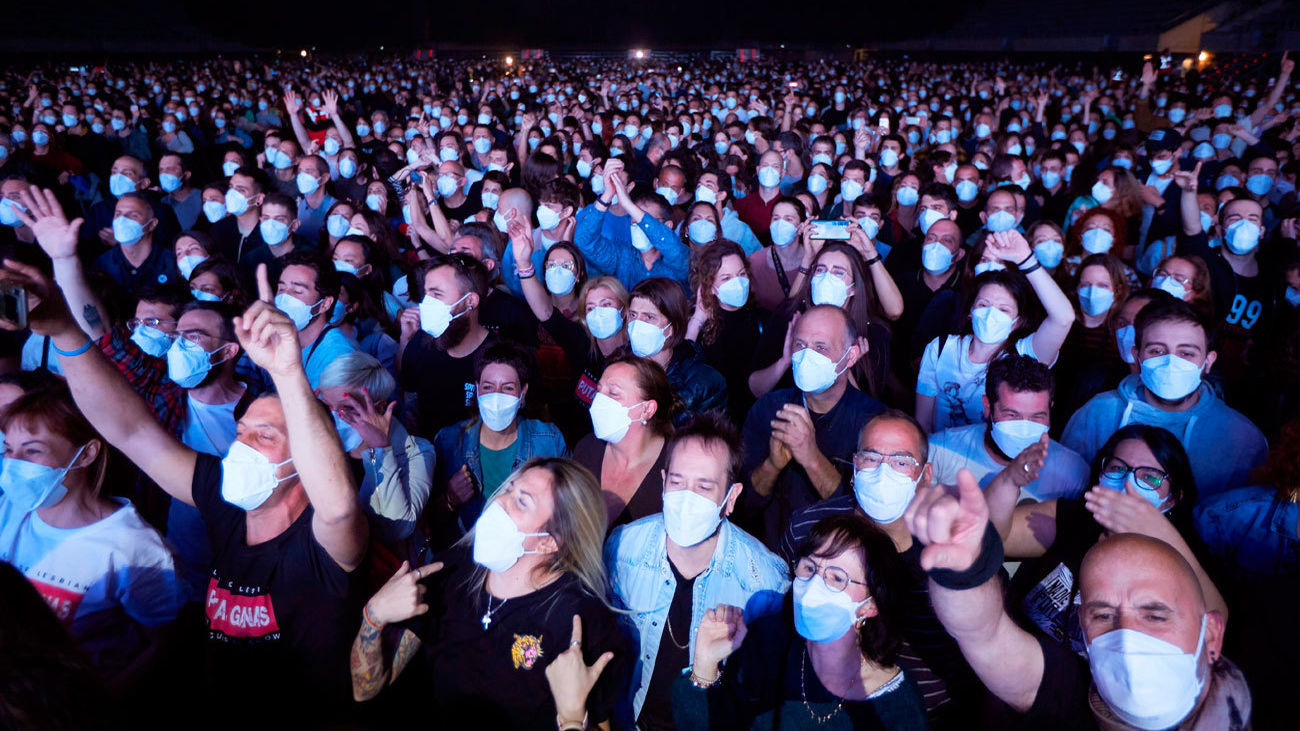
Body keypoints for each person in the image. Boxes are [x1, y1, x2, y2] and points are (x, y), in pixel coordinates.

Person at [5, 252, 368, 724]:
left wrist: (287, 371)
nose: (241, 447)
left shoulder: (325, 545)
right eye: (241, 433)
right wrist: (65, 332)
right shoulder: (227, 504)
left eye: (265, 436)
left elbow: (338, 508)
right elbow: (131, 432)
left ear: (308, 461)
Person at [907, 470, 1251, 730]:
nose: (1129, 636)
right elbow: (984, 634)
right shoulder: (1069, 690)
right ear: (1082, 630)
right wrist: (964, 572)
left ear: (1212, 634)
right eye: (1103, 615)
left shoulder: (1271, 696)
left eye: (1155, 616)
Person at [350, 457, 629, 730]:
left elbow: (602, 722)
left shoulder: (580, 622)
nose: (498, 503)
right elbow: (366, 690)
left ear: (548, 543)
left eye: (522, 501)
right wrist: (373, 615)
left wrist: (573, 716)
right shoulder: (453, 571)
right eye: (509, 489)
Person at [604, 412, 789, 729]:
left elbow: (764, 694)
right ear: (663, 483)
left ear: (730, 498)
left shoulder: (765, 581)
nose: (686, 497)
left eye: (704, 487)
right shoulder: (622, 547)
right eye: (677, 482)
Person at [672, 514, 929, 730]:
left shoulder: (897, 707)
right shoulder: (769, 640)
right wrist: (705, 665)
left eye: (837, 578)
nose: (815, 585)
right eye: (809, 568)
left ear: (871, 605)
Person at [0, 385, 184, 685]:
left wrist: (106, 702)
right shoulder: (8, 510)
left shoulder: (134, 548)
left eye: (33, 450)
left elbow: (168, 644)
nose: (14, 464)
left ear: (86, 454)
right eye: (8, 450)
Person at [1062, 298, 1267, 498]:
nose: (1171, 363)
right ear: (1137, 355)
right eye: (1157, 351)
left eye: (1186, 353)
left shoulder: (1242, 439)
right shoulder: (1098, 413)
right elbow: (1067, 490)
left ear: (1208, 361)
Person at [742, 305, 884, 547]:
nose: (807, 356)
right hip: (775, 555)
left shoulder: (874, 423)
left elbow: (871, 520)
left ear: (850, 356)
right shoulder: (768, 409)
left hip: (842, 561)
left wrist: (811, 458)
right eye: (800, 345)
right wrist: (773, 465)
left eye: (821, 347)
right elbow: (745, 506)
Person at [915, 230, 1075, 433]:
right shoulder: (939, 348)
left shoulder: (1024, 356)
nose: (991, 314)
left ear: (1018, 321)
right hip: (944, 455)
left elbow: (1063, 318)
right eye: (984, 304)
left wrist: (1026, 260)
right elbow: (922, 423)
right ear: (971, 311)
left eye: (1003, 309)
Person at [432, 342, 567, 542]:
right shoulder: (449, 441)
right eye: (488, 387)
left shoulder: (549, 441)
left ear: (523, 394)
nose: (496, 396)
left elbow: (568, 513)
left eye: (508, 388)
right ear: (477, 390)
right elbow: (429, 522)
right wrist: (450, 499)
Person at [318, 351, 435, 560]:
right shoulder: (320, 444)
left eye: (346, 408)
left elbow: (396, 528)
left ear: (379, 406)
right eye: (328, 407)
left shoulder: (418, 452)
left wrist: (380, 450)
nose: (336, 416)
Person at [929, 355, 1089, 502]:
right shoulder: (940, 452)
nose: (1024, 429)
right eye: (1012, 415)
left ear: (1050, 410)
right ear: (987, 407)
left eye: (1037, 417)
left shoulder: (1073, 473)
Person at [573, 353, 676, 531]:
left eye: (613, 393)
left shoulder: (676, 466)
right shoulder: (587, 449)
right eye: (598, 391)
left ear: (647, 409)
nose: (599, 400)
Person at [397, 254, 497, 437]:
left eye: (437, 294)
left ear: (470, 301)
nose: (427, 304)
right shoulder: (420, 343)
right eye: (426, 294)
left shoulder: (500, 358)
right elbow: (409, 399)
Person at [626, 276, 729, 425]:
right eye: (633, 315)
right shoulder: (617, 363)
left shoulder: (705, 384)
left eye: (649, 317)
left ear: (672, 327)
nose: (637, 325)